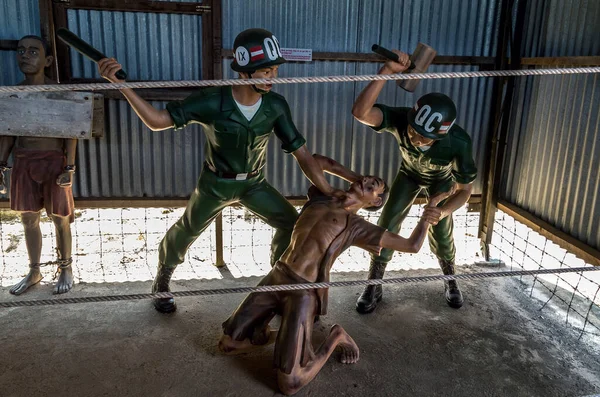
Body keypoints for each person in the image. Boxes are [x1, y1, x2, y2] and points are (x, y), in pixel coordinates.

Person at [98, 28, 342, 313]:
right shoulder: (212, 100)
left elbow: (301, 152)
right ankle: (162, 279)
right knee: (188, 229)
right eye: (265, 71)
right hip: (216, 183)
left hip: (254, 184)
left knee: (291, 222)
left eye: (274, 70)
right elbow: (157, 121)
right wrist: (121, 86)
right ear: (244, 72)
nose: (272, 78)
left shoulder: (275, 106)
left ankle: (278, 279)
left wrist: (327, 190)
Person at [218, 153, 452, 395]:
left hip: (303, 291)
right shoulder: (322, 195)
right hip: (277, 276)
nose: (368, 182)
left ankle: (335, 338)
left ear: (375, 201)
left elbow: (411, 245)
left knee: (290, 384)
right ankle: (291, 338)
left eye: (374, 186)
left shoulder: (357, 226)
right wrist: (354, 177)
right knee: (229, 344)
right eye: (368, 178)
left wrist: (429, 213)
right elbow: (314, 161)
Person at [351, 49, 477, 312]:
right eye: (412, 131)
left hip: (441, 183)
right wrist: (386, 71)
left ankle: (450, 277)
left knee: (441, 226)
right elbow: (361, 113)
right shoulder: (400, 118)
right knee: (388, 219)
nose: (416, 139)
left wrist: (442, 210)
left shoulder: (459, 142)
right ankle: (374, 282)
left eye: (425, 138)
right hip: (408, 174)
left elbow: (465, 190)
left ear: (441, 136)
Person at [0, 35, 77, 295]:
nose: (25, 55)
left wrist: (70, 168)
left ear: (48, 60)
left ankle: (65, 267)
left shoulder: (60, 93)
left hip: (54, 162)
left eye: (33, 51)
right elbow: (8, 133)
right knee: (28, 218)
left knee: (60, 218)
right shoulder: (12, 94)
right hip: (22, 161)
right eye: (21, 51)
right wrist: (1, 165)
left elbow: (72, 131)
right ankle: (35, 270)